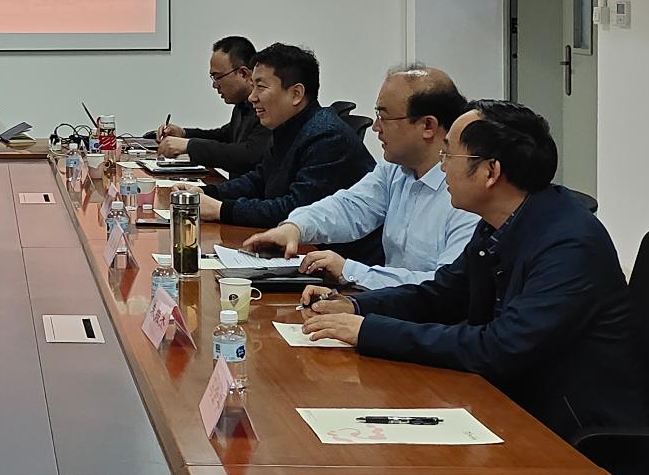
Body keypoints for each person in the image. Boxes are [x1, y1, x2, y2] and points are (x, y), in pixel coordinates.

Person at [300, 100, 649, 438]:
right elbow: (443, 294)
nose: (441, 168)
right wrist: (356, 306)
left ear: (490, 172)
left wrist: (370, 332)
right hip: (510, 405)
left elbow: (500, 348)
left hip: (574, 437)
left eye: (448, 155)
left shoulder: (569, 244)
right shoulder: (499, 223)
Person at [243, 65, 479, 291]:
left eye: (384, 117)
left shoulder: (468, 195)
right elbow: (350, 206)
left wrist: (350, 271)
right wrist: (295, 227)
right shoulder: (395, 169)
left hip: (425, 314)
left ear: (427, 125)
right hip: (387, 302)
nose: (376, 127)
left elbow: (444, 288)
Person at [196, 43, 373, 227]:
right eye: (253, 86)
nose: (252, 97)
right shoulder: (287, 127)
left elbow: (296, 210)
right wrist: (206, 193)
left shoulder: (327, 137)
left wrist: (221, 209)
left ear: (296, 94)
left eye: (260, 87)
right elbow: (260, 180)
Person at [152, 35, 269, 177]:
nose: (215, 85)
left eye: (218, 77)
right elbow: (223, 136)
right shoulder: (242, 106)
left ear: (244, 74)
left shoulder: (267, 111)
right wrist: (184, 134)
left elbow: (248, 155)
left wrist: (189, 146)